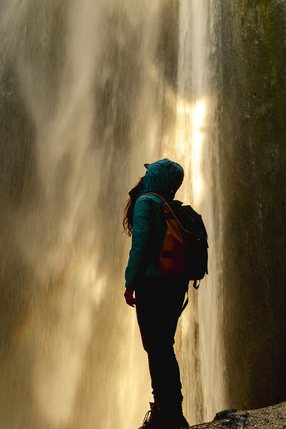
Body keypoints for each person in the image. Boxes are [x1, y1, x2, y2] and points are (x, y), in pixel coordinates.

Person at [123, 158, 190, 429]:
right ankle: (172, 409)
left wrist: (130, 282)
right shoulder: (169, 207)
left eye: (148, 172)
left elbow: (139, 246)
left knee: (156, 347)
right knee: (165, 346)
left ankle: (164, 412)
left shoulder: (146, 203)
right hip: (175, 285)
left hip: (152, 285)